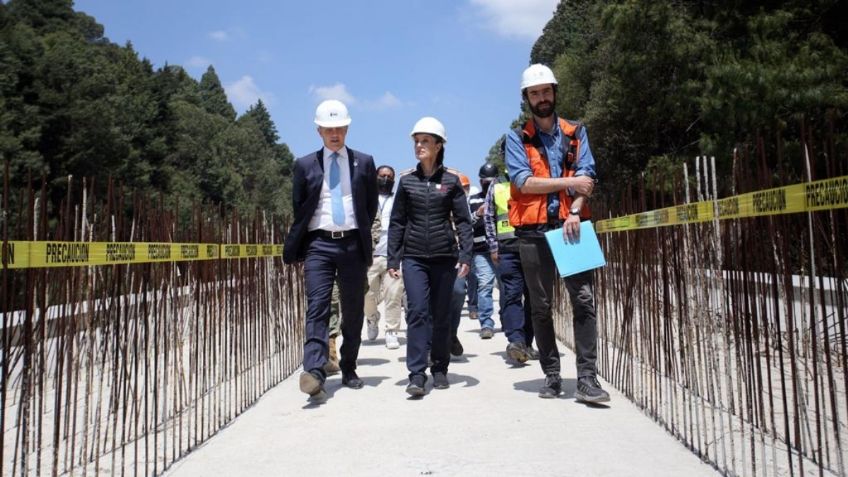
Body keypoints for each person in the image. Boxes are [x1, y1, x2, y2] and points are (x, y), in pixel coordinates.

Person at [504, 64, 610, 403]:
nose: (541, 98)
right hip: (532, 232)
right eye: (535, 93)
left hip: (572, 227)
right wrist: (570, 183)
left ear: (554, 92)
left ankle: (587, 379)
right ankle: (552, 375)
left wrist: (576, 208)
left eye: (546, 91)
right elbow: (524, 182)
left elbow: (588, 176)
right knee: (541, 306)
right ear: (527, 99)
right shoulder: (516, 138)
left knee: (584, 302)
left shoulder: (577, 132)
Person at [283, 99, 378, 398]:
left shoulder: (364, 162)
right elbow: (299, 205)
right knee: (318, 306)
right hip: (318, 244)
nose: (334, 134)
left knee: (352, 310)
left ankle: (349, 367)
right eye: (328, 129)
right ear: (319, 131)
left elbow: (370, 205)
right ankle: (313, 370)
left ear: (347, 128)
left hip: (351, 243)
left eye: (339, 128)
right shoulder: (304, 165)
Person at [387, 117, 473, 397]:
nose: (419, 146)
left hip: (444, 257)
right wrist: (393, 259)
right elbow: (397, 222)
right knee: (417, 312)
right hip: (413, 257)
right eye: (416, 141)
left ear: (438, 145)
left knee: (440, 314)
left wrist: (466, 255)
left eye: (425, 141)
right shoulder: (407, 182)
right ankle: (416, 374)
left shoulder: (451, 182)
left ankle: (439, 368)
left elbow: (463, 221)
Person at [483, 158, 539, 364]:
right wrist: (493, 246)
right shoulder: (497, 184)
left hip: (534, 247)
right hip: (508, 250)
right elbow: (489, 216)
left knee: (534, 298)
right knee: (512, 295)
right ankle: (516, 340)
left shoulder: (537, 179)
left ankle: (527, 343)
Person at [363, 165, 405, 350]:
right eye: (382, 176)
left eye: (389, 176)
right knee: (367, 295)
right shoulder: (365, 199)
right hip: (370, 256)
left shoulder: (399, 200)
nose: (385, 179)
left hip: (392, 256)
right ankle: (372, 319)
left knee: (394, 294)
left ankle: (391, 331)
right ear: (375, 177)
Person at [468, 163, 499, 338]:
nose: (488, 184)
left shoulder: (503, 194)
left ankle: (506, 319)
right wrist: (478, 214)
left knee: (507, 288)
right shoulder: (473, 200)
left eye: (491, 181)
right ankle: (486, 324)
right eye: (485, 181)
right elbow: (468, 223)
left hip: (502, 249)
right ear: (480, 181)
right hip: (481, 251)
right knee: (485, 287)